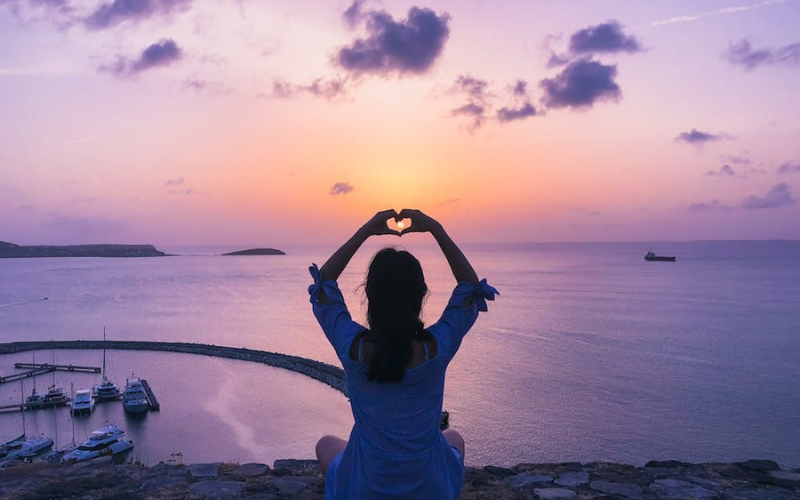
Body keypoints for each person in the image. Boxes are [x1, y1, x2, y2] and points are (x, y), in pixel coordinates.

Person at [309, 208, 498, 500]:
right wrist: (435, 228)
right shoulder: (437, 347)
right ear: (421, 295)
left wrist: (367, 230)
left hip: (365, 491)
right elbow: (471, 290)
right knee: (453, 437)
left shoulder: (353, 348)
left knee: (326, 444)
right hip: (430, 491)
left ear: (369, 296)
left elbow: (322, 286)